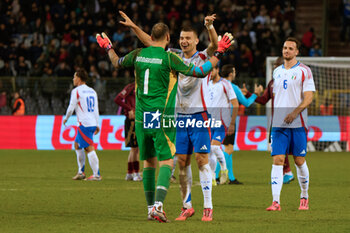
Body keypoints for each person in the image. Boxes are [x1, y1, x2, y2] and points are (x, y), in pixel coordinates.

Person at [96, 23, 233, 222]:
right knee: (174, 162)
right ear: (171, 38)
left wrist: (113, 44)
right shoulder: (171, 57)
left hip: (176, 116)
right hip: (169, 116)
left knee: (184, 161)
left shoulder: (143, 54)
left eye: (188, 38)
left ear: (196, 40)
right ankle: (175, 206)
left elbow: (122, 59)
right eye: (181, 37)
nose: (184, 41)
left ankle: (204, 207)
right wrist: (221, 52)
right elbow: (199, 69)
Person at [266, 37, 315, 211]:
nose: (286, 50)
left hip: (298, 124)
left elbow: (309, 97)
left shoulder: (304, 71)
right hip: (279, 125)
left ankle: (304, 196)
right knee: (278, 159)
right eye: (284, 47)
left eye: (290, 48)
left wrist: (294, 112)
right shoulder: (277, 71)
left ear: (297, 52)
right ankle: (275, 201)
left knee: (299, 160)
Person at [244, 57, 295, 184]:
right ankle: (287, 172)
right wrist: (250, 94)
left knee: (283, 148)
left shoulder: (292, 80)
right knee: (277, 147)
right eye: (274, 66)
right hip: (276, 120)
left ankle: (288, 172)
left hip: (288, 118)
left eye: (278, 65)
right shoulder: (272, 83)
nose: (275, 68)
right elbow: (263, 100)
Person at [217, 64, 262, 185]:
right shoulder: (233, 87)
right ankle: (216, 175)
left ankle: (231, 178)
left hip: (216, 119)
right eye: (234, 71)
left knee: (222, 148)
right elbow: (246, 103)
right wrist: (255, 94)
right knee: (229, 149)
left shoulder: (217, 84)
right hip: (228, 121)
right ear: (231, 73)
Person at [63, 69, 102, 181]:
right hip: (92, 122)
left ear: (79, 78)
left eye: (74, 77)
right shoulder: (92, 91)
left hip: (84, 124)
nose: (73, 79)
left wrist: (66, 118)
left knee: (89, 148)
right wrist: (97, 124)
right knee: (77, 145)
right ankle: (81, 172)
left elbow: (71, 107)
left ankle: (96, 175)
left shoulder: (76, 91)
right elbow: (96, 109)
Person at [206, 65, 238, 186]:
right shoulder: (207, 84)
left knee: (214, 147)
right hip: (209, 122)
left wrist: (232, 123)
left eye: (212, 70)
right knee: (209, 151)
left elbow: (235, 104)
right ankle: (213, 177)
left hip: (222, 122)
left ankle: (224, 168)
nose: (210, 72)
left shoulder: (225, 84)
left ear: (217, 70)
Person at [114, 81, 142, 181]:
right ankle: (136, 173)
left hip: (140, 119)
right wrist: (129, 109)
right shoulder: (130, 87)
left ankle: (130, 174)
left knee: (135, 149)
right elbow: (117, 99)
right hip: (132, 121)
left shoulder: (143, 86)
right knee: (135, 148)